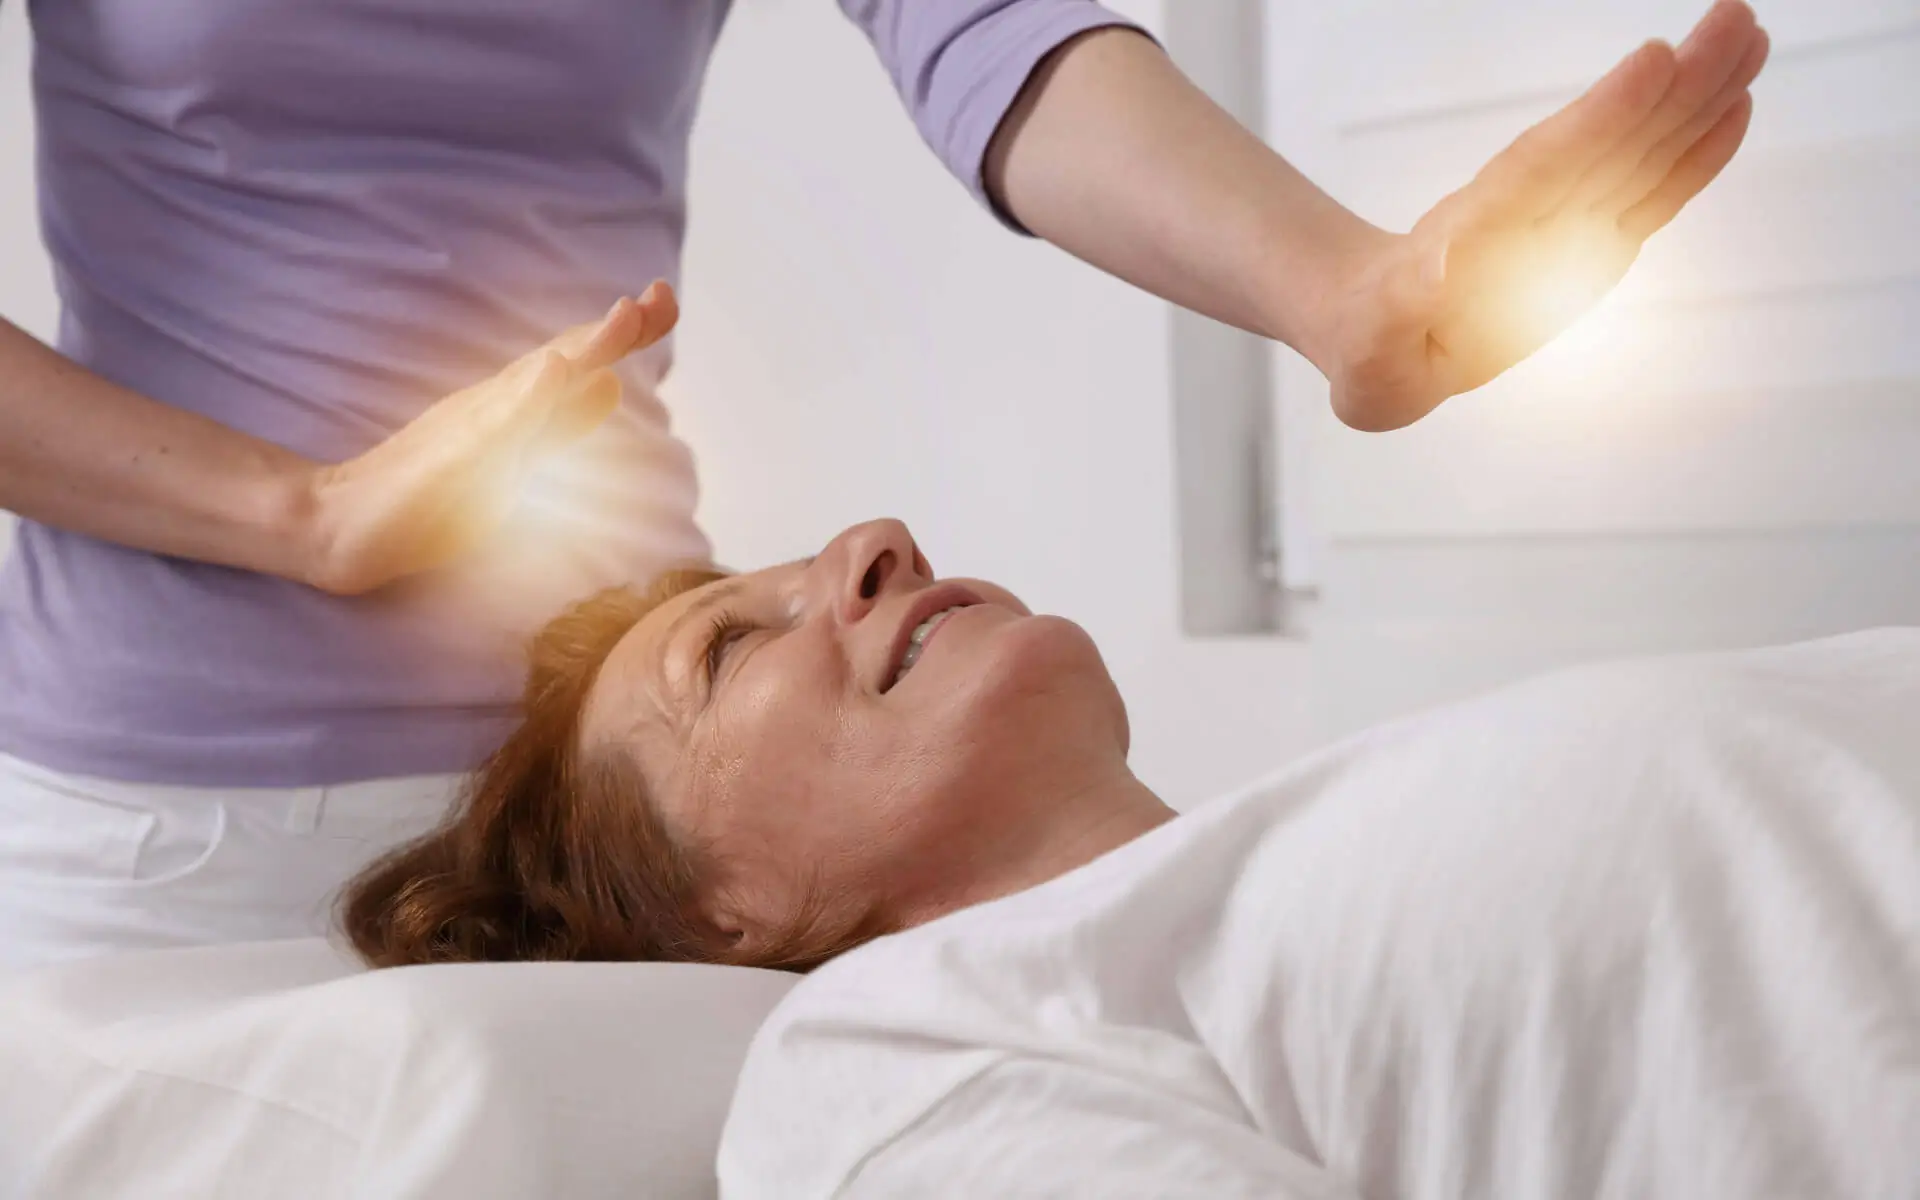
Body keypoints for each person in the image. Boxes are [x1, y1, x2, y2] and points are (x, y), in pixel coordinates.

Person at [0, 0, 1769, 971]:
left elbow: (986, 27)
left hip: (668, 823)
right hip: (165, 826)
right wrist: (301, 517)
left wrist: (1338, 292)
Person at [342, 518, 1919, 1198]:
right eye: (731, 650)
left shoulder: (1286, 871)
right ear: (715, 914)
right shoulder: (879, 1068)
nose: (876, 544)